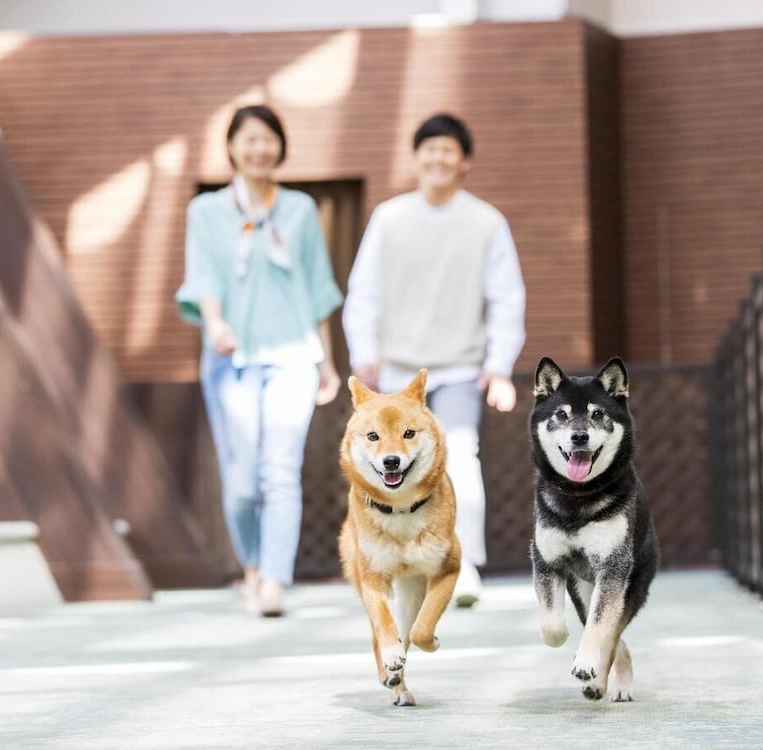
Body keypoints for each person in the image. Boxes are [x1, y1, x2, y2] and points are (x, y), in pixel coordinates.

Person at [342, 113, 526, 608]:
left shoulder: (487, 222)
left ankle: (459, 565)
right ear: (417, 156)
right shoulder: (389, 217)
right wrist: (365, 355)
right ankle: (398, 563)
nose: (439, 157)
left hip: (460, 367)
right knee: (389, 469)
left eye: (449, 149)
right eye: (430, 148)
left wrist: (499, 365)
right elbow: (364, 293)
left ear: (464, 161)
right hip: (398, 374)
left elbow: (506, 297)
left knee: (460, 458)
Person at [176, 104, 343, 617]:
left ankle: (273, 580)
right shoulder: (205, 212)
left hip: (293, 356)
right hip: (232, 361)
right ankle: (251, 562)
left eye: (268, 139)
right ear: (231, 147)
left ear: (280, 147)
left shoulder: (299, 209)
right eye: (249, 139)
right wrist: (216, 323)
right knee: (243, 482)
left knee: (280, 472)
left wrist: (327, 363)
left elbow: (316, 288)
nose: (259, 149)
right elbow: (202, 275)